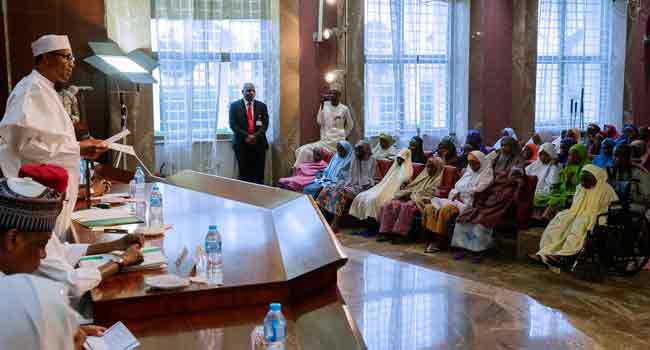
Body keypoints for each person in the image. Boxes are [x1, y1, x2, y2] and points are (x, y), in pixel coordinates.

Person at [0, 34, 108, 235]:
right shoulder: (31, 89)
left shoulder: (46, 89)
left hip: (56, 192)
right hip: (42, 193)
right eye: (66, 57)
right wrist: (77, 149)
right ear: (46, 58)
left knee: (59, 249)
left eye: (72, 59)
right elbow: (24, 146)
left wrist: (81, 151)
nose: (71, 64)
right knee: (48, 252)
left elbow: (51, 139)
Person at [0, 177, 103, 348]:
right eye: (40, 245)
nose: (43, 254)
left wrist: (62, 328)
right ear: (12, 239)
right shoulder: (21, 293)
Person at [17, 163, 144, 297]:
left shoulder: (29, 220)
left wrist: (116, 244)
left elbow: (61, 251)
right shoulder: (29, 236)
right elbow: (74, 283)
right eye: (63, 200)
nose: (61, 207)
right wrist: (122, 260)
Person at [532, 165, 618, 268]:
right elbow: (575, 205)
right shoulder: (580, 187)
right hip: (577, 213)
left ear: (595, 178)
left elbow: (614, 208)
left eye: (586, 180)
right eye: (582, 180)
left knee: (579, 225)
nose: (583, 183)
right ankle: (544, 254)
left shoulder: (606, 190)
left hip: (595, 217)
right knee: (559, 222)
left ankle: (564, 255)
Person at [451, 167, 527, 263]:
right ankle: (464, 249)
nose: (514, 177)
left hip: (499, 211)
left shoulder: (517, 188)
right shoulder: (498, 184)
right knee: (463, 218)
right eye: (513, 174)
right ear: (508, 174)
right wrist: (479, 205)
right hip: (485, 208)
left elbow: (517, 202)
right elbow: (485, 194)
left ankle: (478, 251)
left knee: (481, 222)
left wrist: (519, 187)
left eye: (517, 175)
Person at [422, 151, 493, 253]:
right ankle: (430, 239)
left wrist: (461, 194)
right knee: (430, 207)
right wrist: (456, 193)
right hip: (455, 200)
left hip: (468, 204)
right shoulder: (468, 173)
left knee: (445, 210)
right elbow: (456, 187)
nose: (472, 166)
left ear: (481, 162)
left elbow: (478, 190)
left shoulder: (486, 175)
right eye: (470, 163)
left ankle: (439, 241)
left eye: (475, 163)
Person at [317, 141, 376, 231]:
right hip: (352, 185)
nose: (357, 152)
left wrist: (367, 183)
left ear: (367, 150)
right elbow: (350, 176)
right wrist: (341, 184)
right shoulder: (355, 159)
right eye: (357, 150)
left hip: (364, 187)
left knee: (342, 192)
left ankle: (335, 222)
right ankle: (322, 218)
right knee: (327, 189)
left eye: (360, 150)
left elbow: (373, 177)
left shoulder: (372, 160)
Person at [379, 157, 444, 237]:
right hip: (411, 197)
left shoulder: (439, 179)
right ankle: (386, 232)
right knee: (390, 203)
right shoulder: (424, 176)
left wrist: (412, 196)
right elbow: (412, 187)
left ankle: (400, 234)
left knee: (407, 206)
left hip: (421, 202)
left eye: (432, 167)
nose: (428, 169)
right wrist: (406, 192)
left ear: (438, 168)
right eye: (427, 166)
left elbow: (431, 195)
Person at [293, 84, 354, 166]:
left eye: (335, 93)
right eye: (331, 93)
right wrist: (321, 105)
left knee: (305, 150)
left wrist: (343, 135)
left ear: (339, 95)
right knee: (302, 150)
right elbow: (319, 121)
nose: (332, 95)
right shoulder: (325, 106)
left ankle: (297, 169)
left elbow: (350, 125)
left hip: (336, 142)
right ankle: (298, 170)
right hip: (325, 140)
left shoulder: (344, 109)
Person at [349, 148, 413, 221]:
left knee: (374, 199)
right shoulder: (395, 167)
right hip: (383, 188)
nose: (398, 161)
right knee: (362, 196)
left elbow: (405, 185)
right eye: (398, 158)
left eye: (401, 159)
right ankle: (363, 222)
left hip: (394, 191)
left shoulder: (408, 171)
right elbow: (386, 181)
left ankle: (372, 222)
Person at [229, 82, 270, 184]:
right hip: (241, 144)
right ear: (242, 92)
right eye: (248, 90)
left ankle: (259, 197)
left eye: (253, 90)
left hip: (259, 144)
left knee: (259, 174)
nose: (251, 92)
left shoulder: (262, 106)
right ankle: (245, 198)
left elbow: (265, 124)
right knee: (244, 174)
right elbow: (233, 125)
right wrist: (247, 136)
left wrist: (254, 136)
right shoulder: (234, 106)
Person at [535, 143, 589, 221]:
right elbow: (563, 181)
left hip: (578, 192)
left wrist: (569, 180)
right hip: (566, 189)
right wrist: (566, 181)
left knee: (558, 198)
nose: (570, 157)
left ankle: (546, 217)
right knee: (555, 195)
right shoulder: (569, 166)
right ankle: (545, 217)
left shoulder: (586, 167)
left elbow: (583, 184)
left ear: (581, 155)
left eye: (573, 155)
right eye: (569, 155)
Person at [606, 144, 650, 213]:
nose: (616, 159)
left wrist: (633, 196)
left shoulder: (639, 173)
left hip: (634, 205)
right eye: (614, 155)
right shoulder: (610, 171)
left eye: (621, 156)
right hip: (615, 204)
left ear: (628, 157)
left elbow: (648, 198)